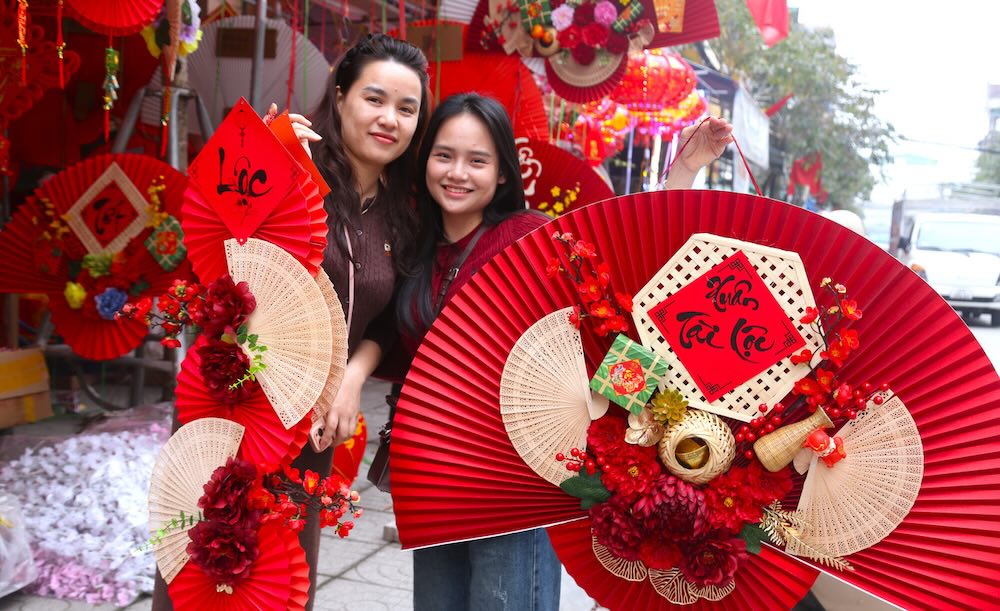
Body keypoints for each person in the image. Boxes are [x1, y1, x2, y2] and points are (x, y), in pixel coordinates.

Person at [393, 93, 734, 610]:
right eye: (443, 156)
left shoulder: (530, 239)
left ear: (503, 172)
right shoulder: (415, 245)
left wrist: (629, 426)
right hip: (435, 474)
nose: (457, 172)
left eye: (477, 160)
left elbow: (626, 293)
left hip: (515, 483)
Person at [149, 33, 430, 611]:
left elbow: (388, 320)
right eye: (374, 99)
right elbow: (210, 246)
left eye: (407, 108)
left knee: (280, 572)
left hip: (313, 422)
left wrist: (349, 380)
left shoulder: (405, 212)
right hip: (236, 399)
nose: (389, 119)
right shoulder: (292, 166)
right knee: (207, 556)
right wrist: (263, 152)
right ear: (342, 95)